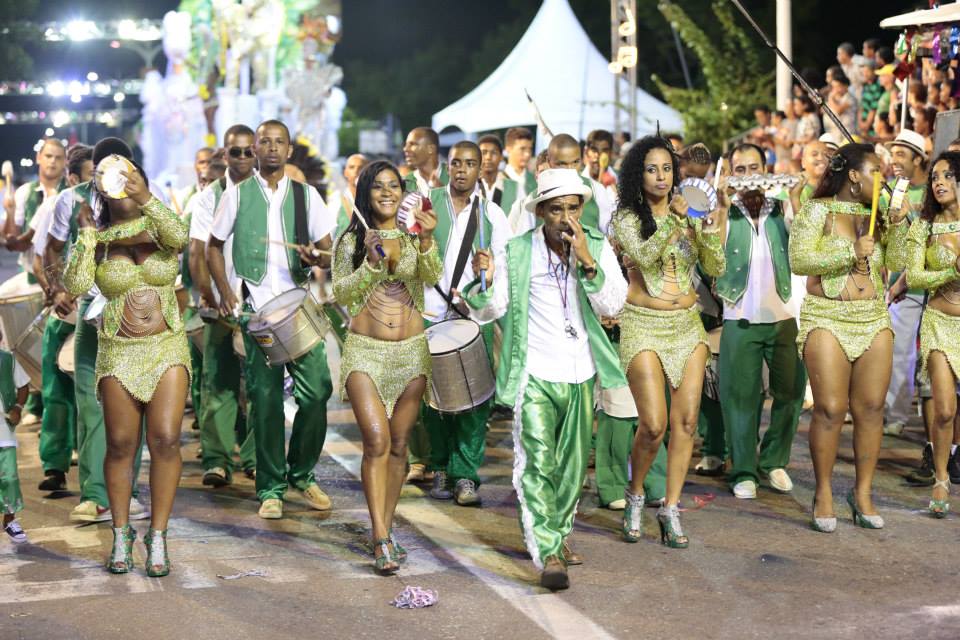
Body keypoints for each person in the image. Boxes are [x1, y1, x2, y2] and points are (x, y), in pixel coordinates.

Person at [462, 168, 627, 590]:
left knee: (571, 470)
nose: (565, 218)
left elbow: (615, 303)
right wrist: (486, 278)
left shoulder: (594, 244)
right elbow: (489, 309)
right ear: (540, 212)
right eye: (556, 209)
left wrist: (588, 261)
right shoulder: (517, 251)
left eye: (573, 208)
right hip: (535, 372)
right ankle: (548, 551)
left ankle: (557, 531)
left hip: (582, 371)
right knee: (538, 462)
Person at [62, 149, 191, 576]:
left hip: (167, 346)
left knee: (167, 439)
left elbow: (180, 237)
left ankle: (158, 536)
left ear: (137, 174)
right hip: (118, 351)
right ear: (97, 184)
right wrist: (86, 238)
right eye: (104, 173)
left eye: (125, 170)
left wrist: (148, 196)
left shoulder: (159, 223)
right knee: (120, 444)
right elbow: (76, 284)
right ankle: (121, 534)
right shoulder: (97, 235)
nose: (115, 177)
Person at [207, 119, 335, 520]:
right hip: (257, 310)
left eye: (280, 142)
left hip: (299, 307)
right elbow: (213, 246)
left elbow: (327, 250)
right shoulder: (238, 194)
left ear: (289, 150)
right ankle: (271, 487)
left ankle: (301, 471)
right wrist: (226, 292)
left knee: (317, 392)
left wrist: (316, 257)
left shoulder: (306, 195)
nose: (272, 148)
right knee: (264, 401)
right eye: (265, 142)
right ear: (256, 149)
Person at [611, 136, 726, 548]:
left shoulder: (690, 214)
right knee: (654, 425)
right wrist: (677, 223)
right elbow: (643, 257)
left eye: (666, 169)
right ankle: (636, 494)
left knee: (687, 423)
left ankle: (671, 508)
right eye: (651, 169)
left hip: (686, 325)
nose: (661, 177)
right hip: (643, 323)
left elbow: (716, 268)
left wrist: (708, 230)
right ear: (637, 175)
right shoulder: (626, 217)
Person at [789, 143, 909, 533]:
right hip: (827, 316)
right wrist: (849, 253)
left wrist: (902, 225)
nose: (883, 178)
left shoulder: (880, 217)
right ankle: (823, 492)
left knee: (872, 408)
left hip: (873, 317)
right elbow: (800, 260)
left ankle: (863, 493)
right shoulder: (816, 209)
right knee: (829, 408)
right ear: (854, 176)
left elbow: (901, 262)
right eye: (876, 171)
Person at [332, 160, 441, 574]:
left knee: (399, 446)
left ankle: (386, 525)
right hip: (365, 353)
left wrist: (428, 238)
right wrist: (371, 265)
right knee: (376, 441)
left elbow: (432, 276)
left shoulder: (415, 236)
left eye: (393, 186)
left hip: (412, 352)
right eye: (378, 186)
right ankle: (379, 535)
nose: (386, 192)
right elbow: (342, 291)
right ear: (366, 193)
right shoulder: (353, 240)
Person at [43, 137, 151, 525]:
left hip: (135, 313)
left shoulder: (145, 201)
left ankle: (129, 492)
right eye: (104, 165)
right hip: (91, 313)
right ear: (94, 167)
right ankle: (95, 494)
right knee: (90, 405)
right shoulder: (70, 201)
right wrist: (57, 287)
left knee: (130, 404)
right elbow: (53, 248)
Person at [415, 141, 511, 506]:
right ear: (445, 166)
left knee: (475, 402)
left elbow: (502, 262)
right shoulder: (424, 206)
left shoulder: (492, 215)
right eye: (456, 162)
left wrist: (488, 269)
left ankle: (465, 475)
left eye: (470, 164)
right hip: (428, 312)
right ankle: (440, 461)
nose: (462, 170)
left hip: (472, 315)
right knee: (431, 400)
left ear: (480, 169)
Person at [715, 143, 806, 499]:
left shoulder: (782, 205)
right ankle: (743, 470)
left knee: (791, 391)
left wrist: (797, 201)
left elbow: (803, 247)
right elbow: (712, 255)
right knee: (740, 397)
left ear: (767, 172)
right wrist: (721, 209)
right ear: (731, 174)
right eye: (741, 170)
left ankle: (774, 462)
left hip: (785, 313)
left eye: (755, 168)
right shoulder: (723, 209)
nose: (749, 176)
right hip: (739, 315)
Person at [188, 125, 258, 487]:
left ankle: (254, 457)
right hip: (221, 302)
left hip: (262, 304)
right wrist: (210, 294)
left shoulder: (269, 192)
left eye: (249, 152)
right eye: (236, 152)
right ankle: (217, 460)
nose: (243, 158)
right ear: (224, 156)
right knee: (218, 383)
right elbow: (198, 251)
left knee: (262, 388)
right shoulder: (209, 197)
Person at [32, 143, 93, 492]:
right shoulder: (63, 203)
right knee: (56, 394)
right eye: (90, 176)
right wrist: (56, 292)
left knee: (93, 400)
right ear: (74, 178)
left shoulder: (116, 203)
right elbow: (42, 258)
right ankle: (54, 465)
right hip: (65, 313)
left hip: (98, 316)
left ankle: (94, 470)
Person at [905, 150, 960, 517]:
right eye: (935, 176)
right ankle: (941, 477)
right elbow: (914, 277)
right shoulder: (923, 227)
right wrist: (950, 271)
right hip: (940, 323)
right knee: (944, 410)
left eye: (947, 175)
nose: (938, 181)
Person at [4, 137, 68, 424]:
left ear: (66, 163)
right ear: (39, 158)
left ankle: (48, 407)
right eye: (48, 156)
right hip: (33, 277)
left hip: (65, 285)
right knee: (17, 337)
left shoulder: (70, 195)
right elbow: (13, 242)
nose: (53, 161)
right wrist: (7, 212)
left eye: (58, 157)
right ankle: (26, 396)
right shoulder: (27, 193)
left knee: (53, 348)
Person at [883, 130, 930, 442]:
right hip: (904, 288)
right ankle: (896, 415)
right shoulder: (894, 190)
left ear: (918, 158)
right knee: (899, 352)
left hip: (936, 285)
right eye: (892, 154)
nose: (894, 161)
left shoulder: (935, 190)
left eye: (901, 154)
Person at [508, 134, 616, 236]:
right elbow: (525, 245)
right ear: (549, 162)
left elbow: (609, 233)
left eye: (575, 162)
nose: (569, 169)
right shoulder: (534, 199)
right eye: (562, 163)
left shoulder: (596, 190)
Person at [0, 345, 31, 543]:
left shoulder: (7, 360)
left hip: (3, 432)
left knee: (9, 478)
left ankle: (9, 520)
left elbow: (23, 386)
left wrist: (18, 407)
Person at [477, 134, 521, 214]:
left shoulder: (515, 188)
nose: (488, 157)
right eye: (484, 152)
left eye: (493, 152)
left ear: (501, 157)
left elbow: (524, 222)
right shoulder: (470, 187)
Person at [403, 127, 448, 196]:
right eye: (406, 145)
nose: (405, 149)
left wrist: (443, 194)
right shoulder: (407, 182)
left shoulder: (453, 175)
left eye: (412, 144)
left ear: (431, 149)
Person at [503, 127, 537, 201]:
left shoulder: (535, 181)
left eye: (530, 149)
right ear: (508, 149)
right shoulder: (498, 181)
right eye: (522, 149)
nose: (527, 154)